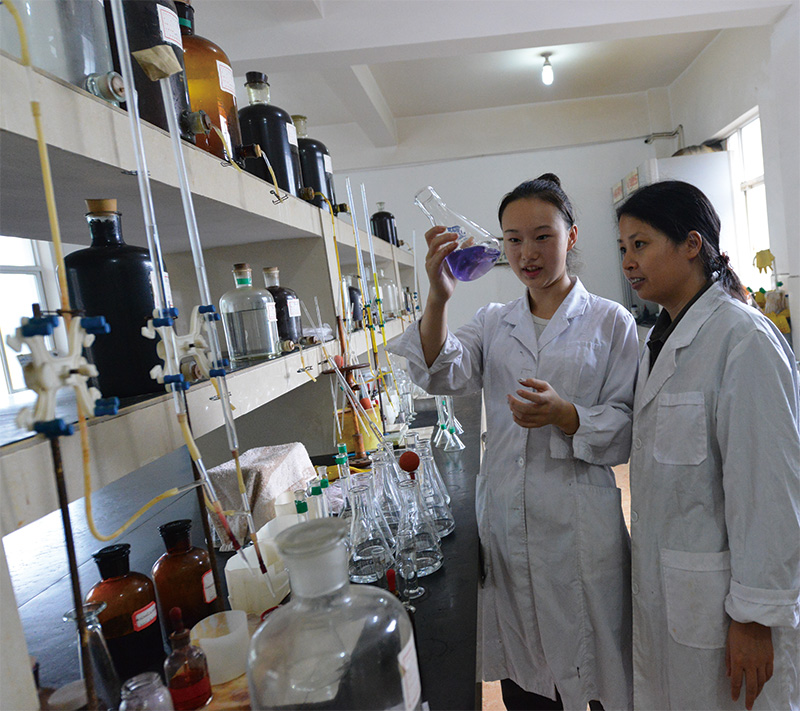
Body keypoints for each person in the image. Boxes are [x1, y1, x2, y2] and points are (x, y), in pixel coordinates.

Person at [391, 174, 638, 710]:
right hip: (508, 521)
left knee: (597, 670)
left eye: (543, 236)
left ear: (571, 237)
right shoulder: (493, 322)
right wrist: (438, 297)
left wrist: (567, 416)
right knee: (527, 681)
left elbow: (627, 426)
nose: (527, 253)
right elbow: (440, 372)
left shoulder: (610, 321)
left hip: (579, 525)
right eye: (514, 239)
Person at [616, 180, 800, 710]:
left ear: (692, 245)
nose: (628, 262)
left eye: (641, 244)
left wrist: (756, 617)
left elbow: (768, 492)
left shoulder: (743, 341)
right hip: (681, 594)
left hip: (731, 609)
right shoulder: (662, 338)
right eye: (623, 248)